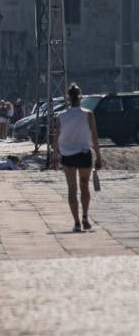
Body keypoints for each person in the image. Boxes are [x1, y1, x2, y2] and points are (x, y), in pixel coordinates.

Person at [53, 83, 104, 231]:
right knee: (84, 186)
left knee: (72, 189)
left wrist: (55, 157)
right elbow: (94, 137)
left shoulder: (61, 116)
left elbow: (56, 138)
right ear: (80, 97)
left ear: (68, 98)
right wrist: (98, 156)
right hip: (84, 154)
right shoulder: (88, 114)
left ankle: (76, 222)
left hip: (68, 155)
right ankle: (85, 217)